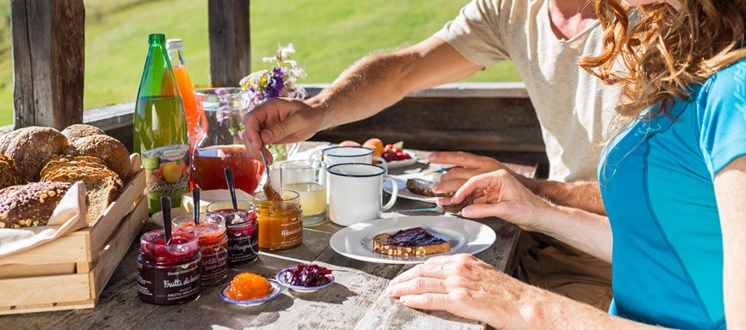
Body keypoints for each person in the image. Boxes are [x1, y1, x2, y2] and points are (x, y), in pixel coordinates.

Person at [387, 0, 746, 327]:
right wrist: (538, 211)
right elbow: (678, 245)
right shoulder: (698, 58)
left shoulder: (736, 91)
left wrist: (521, 304)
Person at [244, 0, 615, 308]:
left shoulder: (652, 24)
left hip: (612, 260)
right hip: (536, 240)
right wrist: (318, 110)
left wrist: (531, 189)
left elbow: (665, 196)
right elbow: (405, 68)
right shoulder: (513, 9)